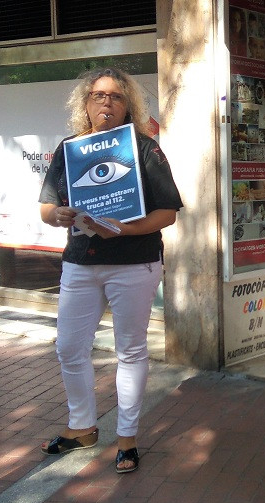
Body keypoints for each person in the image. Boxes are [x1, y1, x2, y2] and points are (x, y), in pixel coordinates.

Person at [37, 67, 184, 474]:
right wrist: (58, 214)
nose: (107, 102)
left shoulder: (144, 148)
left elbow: (168, 212)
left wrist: (124, 228)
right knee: (69, 347)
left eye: (116, 96)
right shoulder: (70, 149)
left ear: (128, 105)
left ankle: (127, 439)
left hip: (134, 263)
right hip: (81, 263)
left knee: (131, 350)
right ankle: (81, 427)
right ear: (85, 103)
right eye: (98, 95)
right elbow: (47, 206)